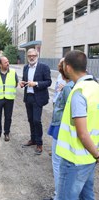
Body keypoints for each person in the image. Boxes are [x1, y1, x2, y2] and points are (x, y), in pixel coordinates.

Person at [56, 50, 99, 200]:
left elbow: (82, 133)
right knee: (87, 196)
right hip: (88, 159)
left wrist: (97, 154)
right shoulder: (95, 87)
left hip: (74, 160)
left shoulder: (79, 92)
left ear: (67, 67)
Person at [43, 58, 74, 200]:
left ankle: (59, 195)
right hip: (62, 126)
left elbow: (71, 111)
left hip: (61, 127)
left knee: (58, 163)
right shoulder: (73, 85)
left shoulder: (68, 87)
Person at [19, 48, 52, 155]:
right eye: (29, 56)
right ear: (27, 57)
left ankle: (39, 143)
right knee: (30, 119)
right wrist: (22, 83)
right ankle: (32, 139)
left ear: (37, 56)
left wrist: (36, 83)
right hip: (28, 97)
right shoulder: (25, 67)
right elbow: (25, 81)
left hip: (38, 98)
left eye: (33, 55)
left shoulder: (44, 67)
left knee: (37, 120)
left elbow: (48, 82)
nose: (31, 57)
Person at [0, 56, 18, 142]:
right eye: (5, 62)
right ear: (0, 64)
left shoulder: (13, 72)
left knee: (8, 117)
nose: (8, 63)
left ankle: (6, 133)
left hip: (9, 98)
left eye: (8, 61)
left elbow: (16, 83)